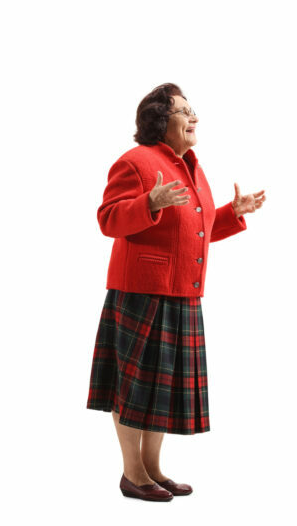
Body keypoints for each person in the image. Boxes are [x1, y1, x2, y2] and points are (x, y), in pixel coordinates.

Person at [87, 83, 265, 501]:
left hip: (183, 291)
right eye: (184, 111)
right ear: (159, 120)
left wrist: (232, 214)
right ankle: (133, 474)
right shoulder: (135, 162)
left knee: (157, 388)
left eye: (192, 109)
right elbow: (108, 220)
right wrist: (148, 203)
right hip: (141, 291)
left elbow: (192, 233)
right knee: (132, 386)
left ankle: (152, 469)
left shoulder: (191, 166)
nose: (194, 117)